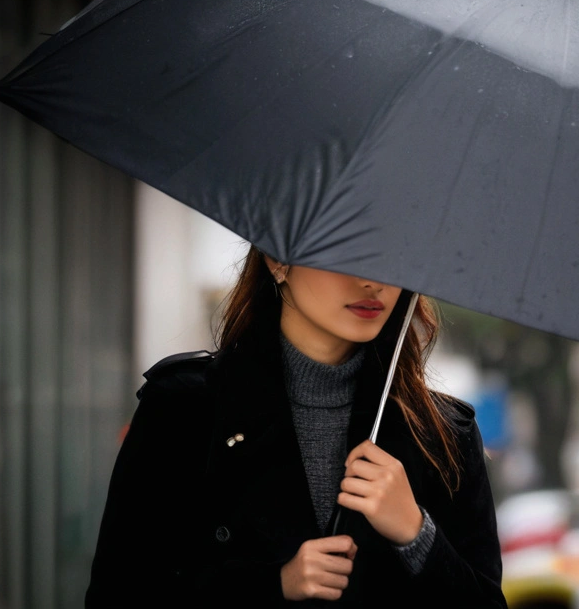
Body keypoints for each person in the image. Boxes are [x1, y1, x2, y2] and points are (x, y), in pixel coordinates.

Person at [85, 246, 507, 608]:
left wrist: (415, 533)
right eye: (347, 250)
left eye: (388, 256)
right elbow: (118, 595)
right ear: (277, 259)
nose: (372, 281)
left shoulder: (442, 435)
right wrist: (274, 585)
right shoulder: (185, 412)